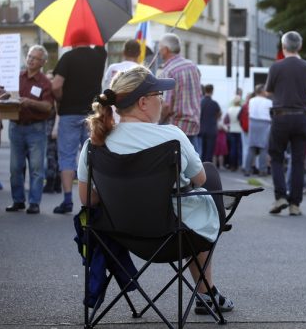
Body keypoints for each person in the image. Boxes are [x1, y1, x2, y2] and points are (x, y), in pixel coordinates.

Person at [76, 65, 233, 314]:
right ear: (143, 102)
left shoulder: (93, 144)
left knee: (195, 195)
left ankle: (207, 292)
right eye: (159, 95)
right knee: (209, 175)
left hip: (121, 235)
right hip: (173, 235)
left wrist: (121, 192)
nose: (163, 100)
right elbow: (201, 179)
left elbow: (86, 199)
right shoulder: (172, 137)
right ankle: (206, 292)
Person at [51, 42, 107, 214]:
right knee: (93, 157)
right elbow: (101, 43)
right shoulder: (100, 55)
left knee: (67, 156)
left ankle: (67, 200)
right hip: (93, 113)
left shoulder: (67, 57)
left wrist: (61, 99)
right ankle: (95, 199)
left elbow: (56, 85)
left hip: (69, 113)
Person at [266, 31, 306, 216]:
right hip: (301, 117)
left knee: (276, 157)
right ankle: (295, 204)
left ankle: (280, 197)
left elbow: (269, 91)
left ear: (283, 47)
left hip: (281, 115)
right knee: (298, 161)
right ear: (299, 47)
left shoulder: (276, 67)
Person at [2, 46, 54, 214]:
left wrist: (30, 102)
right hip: (16, 127)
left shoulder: (45, 83)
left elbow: (48, 107)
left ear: (43, 62)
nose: (31, 60)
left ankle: (34, 203)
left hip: (36, 129)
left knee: (37, 168)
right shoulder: (16, 77)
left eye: (35, 58)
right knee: (15, 168)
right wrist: (0, 93)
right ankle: (18, 201)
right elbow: (7, 96)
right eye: (30, 56)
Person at [158, 33, 202, 148]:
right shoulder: (193, 66)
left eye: (160, 48)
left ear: (166, 50)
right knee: (196, 164)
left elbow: (166, 105)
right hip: (193, 127)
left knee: (177, 165)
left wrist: (157, 123)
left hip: (176, 130)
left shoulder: (168, 71)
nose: (159, 52)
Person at [244, 84, 272, 177]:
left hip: (253, 122)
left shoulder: (251, 100)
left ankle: (247, 169)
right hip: (264, 123)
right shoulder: (268, 102)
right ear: (262, 91)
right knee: (263, 148)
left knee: (251, 147)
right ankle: (262, 170)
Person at [199, 84, 221, 162]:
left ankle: (202, 168)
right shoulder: (214, 104)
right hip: (211, 130)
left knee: (202, 150)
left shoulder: (200, 103)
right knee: (209, 151)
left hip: (201, 129)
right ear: (212, 91)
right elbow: (219, 115)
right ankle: (208, 168)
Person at [224, 95, 243, 171]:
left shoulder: (229, 109)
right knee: (239, 148)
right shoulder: (241, 109)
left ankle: (232, 165)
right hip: (239, 129)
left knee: (232, 148)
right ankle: (238, 164)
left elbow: (226, 120)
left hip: (231, 129)